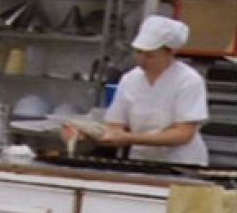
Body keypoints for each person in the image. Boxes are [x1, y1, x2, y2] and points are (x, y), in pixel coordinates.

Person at [65, 15, 209, 166]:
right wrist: (86, 134)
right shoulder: (130, 80)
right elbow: (115, 128)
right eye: (139, 52)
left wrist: (130, 138)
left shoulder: (188, 80)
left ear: (170, 52)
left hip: (181, 164)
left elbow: (183, 134)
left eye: (149, 55)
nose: (141, 59)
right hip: (141, 161)